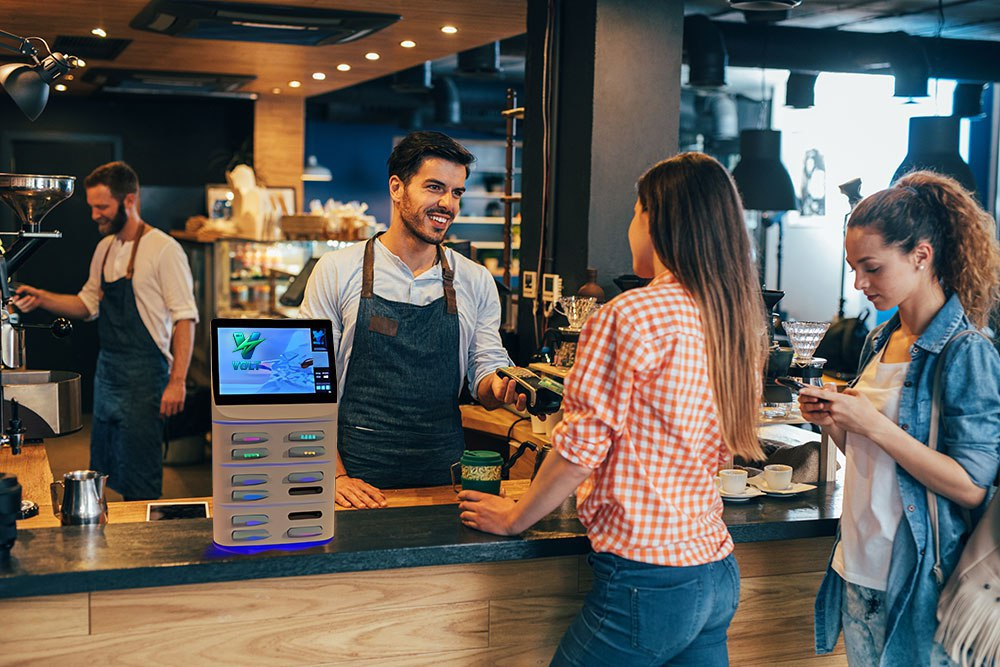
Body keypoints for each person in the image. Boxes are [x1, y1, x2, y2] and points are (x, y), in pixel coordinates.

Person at [459, 152, 767, 666]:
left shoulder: (629, 314)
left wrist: (514, 518)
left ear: (656, 220)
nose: (630, 227)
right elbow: (722, 453)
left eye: (634, 211)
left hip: (648, 578)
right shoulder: (734, 319)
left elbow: (580, 450)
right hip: (714, 569)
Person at [798, 171, 1000, 666]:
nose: (859, 284)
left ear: (921, 256)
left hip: (920, 581)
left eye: (872, 268)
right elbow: (874, 456)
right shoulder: (879, 340)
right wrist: (834, 421)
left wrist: (872, 423)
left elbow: (972, 486)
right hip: (856, 568)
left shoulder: (966, 351)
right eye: (853, 268)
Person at [299, 131, 527, 509]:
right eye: (434, 187)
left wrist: (504, 386)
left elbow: (485, 372)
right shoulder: (337, 270)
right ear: (397, 188)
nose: (447, 204)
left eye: (456, 192)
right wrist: (334, 474)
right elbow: (309, 385)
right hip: (356, 474)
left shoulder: (475, 280)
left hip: (444, 473)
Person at [11, 161, 198, 501]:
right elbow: (87, 304)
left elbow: (185, 318)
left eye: (102, 207)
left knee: (140, 473)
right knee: (106, 466)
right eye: (92, 206)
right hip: (108, 372)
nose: (94, 215)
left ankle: (143, 531)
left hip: (145, 377)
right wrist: (41, 298)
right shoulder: (105, 248)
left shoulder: (164, 249)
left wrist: (178, 382)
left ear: (130, 200)